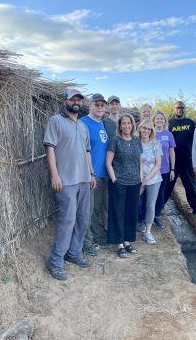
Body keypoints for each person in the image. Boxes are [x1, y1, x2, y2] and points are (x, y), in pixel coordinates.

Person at [43, 88, 96, 280]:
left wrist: (91, 173)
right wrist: (55, 175)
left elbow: (87, 152)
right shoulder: (55, 121)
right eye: (73, 98)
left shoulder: (82, 126)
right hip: (65, 181)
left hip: (83, 179)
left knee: (83, 219)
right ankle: (55, 261)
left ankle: (74, 253)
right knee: (67, 220)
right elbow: (50, 148)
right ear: (65, 100)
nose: (76, 102)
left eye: (79, 99)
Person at [106, 113, 143, 258]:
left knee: (130, 213)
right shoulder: (115, 140)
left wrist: (140, 179)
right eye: (124, 123)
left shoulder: (136, 141)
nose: (126, 126)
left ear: (132, 125)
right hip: (119, 182)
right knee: (118, 212)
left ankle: (127, 241)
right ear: (120, 126)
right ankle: (119, 243)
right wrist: (114, 179)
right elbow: (108, 162)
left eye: (129, 123)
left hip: (134, 182)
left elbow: (140, 161)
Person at [81, 94, 108, 256]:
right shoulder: (84, 123)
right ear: (90, 105)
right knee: (88, 211)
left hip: (103, 173)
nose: (100, 107)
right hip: (91, 174)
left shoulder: (102, 123)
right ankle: (87, 243)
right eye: (96, 104)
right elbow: (83, 150)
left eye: (102, 105)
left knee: (98, 208)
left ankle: (97, 236)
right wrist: (90, 173)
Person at [164, 101, 196, 215]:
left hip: (187, 160)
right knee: (167, 186)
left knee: (190, 185)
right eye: (177, 107)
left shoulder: (190, 123)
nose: (179, 109)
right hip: (172, 161)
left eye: (181, 108)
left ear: (184, 109)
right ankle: (160, 206)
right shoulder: (169, 123)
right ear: (173, 109)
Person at [139, 119, 163, 244]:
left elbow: (158, 164)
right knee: (133, 203)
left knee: (150, 205)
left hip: (153, 178)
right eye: (144, 128)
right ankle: (132, 226)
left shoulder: (156, 144)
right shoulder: (135, 143)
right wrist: (141, 178)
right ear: (140, 128)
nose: (146, 131)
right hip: (138, 178)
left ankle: (148, 232)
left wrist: (147, 178)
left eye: (148, 129)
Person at [152, 111, 176, 228]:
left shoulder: (169, 134)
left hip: (165, 170)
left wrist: (172, 169)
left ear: (165, 121)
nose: (159, 120)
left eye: (162, 118)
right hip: (151, 170)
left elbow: (172, 152)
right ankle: (144, 217)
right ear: (154, 120)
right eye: (157, 119)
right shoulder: (150, 133)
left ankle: (156, 216)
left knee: (161, 193)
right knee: (148, 193)